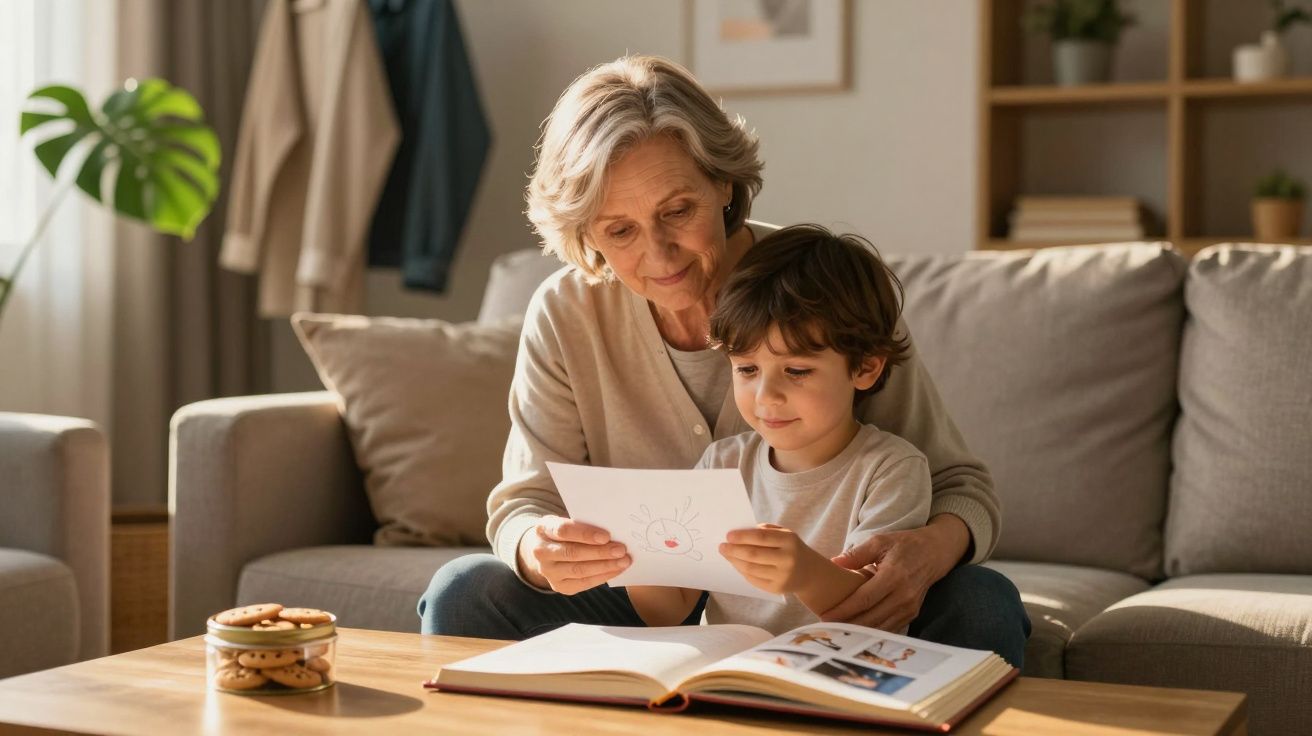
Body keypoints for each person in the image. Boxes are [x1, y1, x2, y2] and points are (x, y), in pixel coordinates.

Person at [416, 54, 1030, 667]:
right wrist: (538, 548)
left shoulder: (821, 290)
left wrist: (930, 549)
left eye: (677, 211)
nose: (658, 254)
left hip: (840, 603)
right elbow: (524, 504)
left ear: (724, 184)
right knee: (466, 592)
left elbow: (959, 486)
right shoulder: (565, 312)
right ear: (586, 232)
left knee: (980, 602)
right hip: (649, 596)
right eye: (619, 231)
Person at [625, 225, 931, 636]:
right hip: (730, 673)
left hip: (840, 674)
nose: (767, 396)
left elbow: (876, 607)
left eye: (796, 371)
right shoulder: (723, 463)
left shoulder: (891, 469)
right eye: (747, 369)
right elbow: (668, 610)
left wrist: (806, 573)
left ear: (865, 367)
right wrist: (635, 560)